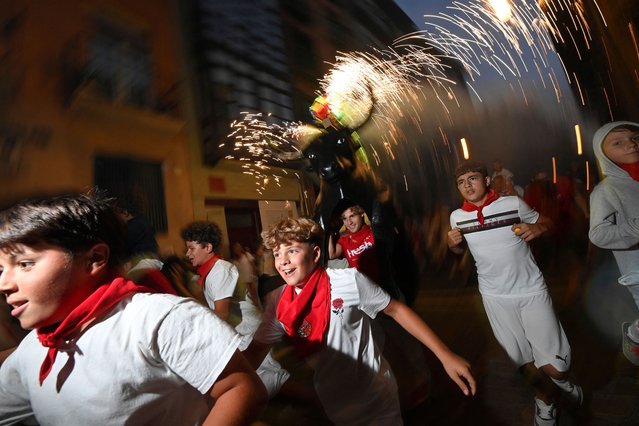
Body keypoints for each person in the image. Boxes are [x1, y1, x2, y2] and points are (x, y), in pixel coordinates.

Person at [0, 192, 265, 425]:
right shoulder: (31, 350)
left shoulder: (157, 317)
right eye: (1, 269)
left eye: (25, 263)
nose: (4, 284)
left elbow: (240, 386)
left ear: (95, 258)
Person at [245, 217, 476, 425]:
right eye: (277, 253)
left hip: (376, 397)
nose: (283, 261)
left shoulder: (348, 281)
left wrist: (445, 355)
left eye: (292, 251)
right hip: (334, 404)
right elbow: (254, 352)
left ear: (315, 254)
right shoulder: (278, 303)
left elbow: (396, 310)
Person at [447, 161, 582, 425]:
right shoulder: (456, 217)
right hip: (495, 298)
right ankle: (545, 403)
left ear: (486, 181)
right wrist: (451, 245)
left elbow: (547, 223)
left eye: (473, 179)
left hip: (531, 290)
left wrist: (538, 228)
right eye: (462, 182)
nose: (467, 185)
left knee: (557, 367)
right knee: (522, 363)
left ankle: (564, 385)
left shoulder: (512, 204)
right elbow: (458, 251)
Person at [588, 121, 639, 364]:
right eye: (618, 142)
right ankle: (635, 334)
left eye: (634, 138)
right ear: (603, 154)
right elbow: (598, 234)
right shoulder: (605, 191)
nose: (630, 144)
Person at [181, 221, 239, 323]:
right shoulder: (207, 271)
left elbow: (221, 315)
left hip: (247, 335)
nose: (187, 253)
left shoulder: (221, 270)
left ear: (208, 247)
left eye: (191, 248)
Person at [328, 202, 379, 283]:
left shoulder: (373, 232)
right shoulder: (345, 239)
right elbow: (332, 254)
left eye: (352, 216)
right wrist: (330, 232)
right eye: (345, 219)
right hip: (362, 287)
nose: (349, 222)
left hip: (382, 284)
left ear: (361, 213)